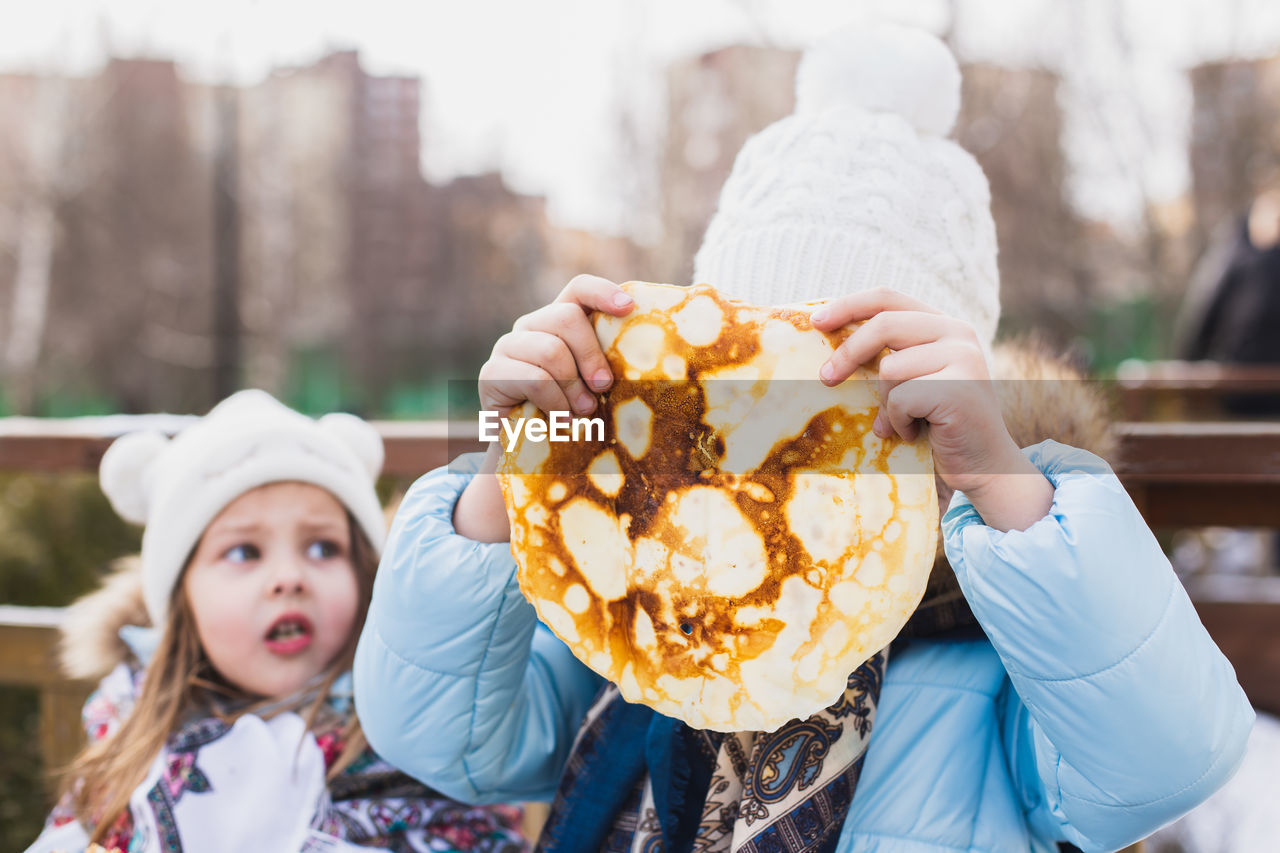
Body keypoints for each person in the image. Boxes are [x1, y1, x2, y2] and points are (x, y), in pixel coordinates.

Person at [353, 24, 1254, 852]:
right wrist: (509, 464)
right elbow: (444, 734)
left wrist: (1006, 488)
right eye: (739, 394)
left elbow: (1167, 761)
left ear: (944, 415)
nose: (781, 443)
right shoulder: (636, 603)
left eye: (846, 405)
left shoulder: (1002, 649)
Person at [27, 390, 527, 853]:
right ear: (184, 598)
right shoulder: (129, 722)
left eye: (322, 547)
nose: (289, 577)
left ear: (365, 573)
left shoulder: (413, 718)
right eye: (244, 552)